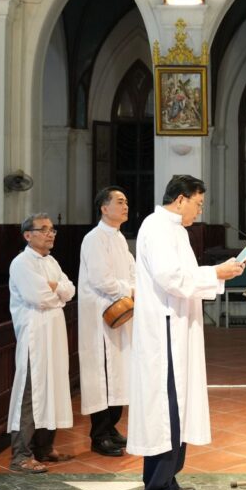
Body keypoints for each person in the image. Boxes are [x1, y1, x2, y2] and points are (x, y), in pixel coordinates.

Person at [128, 175, 246, 490]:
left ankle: (169, 480)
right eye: (198, 203)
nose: (200, 210)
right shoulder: (156, 227)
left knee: (178, 409)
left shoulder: (176, 229)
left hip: (179, 327)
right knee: (166, 412)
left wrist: (217, 275)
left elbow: (184, 277)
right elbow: (172, 279)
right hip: (164, 331)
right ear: (180, 199)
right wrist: (216, 273)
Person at [7, 213, 76, 473]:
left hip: (54, 334)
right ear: (28, 235)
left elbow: (70, 290)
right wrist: (58, 293)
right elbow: (39, 297)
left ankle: (44, 448)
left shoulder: (51, 261)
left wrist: (56, 288)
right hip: (34, 336)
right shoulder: (21, 263)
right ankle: (21, 455)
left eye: (52, 229)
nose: (50, 234)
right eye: (44, 229)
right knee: (30, 393)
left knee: (53, 387)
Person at [79, 187, 135, 457]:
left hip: (121, 313)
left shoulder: (119, 238)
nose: (126, 206)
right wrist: (129, 290)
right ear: (104, 208)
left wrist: (135, 286)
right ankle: (98, 435)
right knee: (102, 375)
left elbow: (132, 269)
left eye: (126, 202)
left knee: (120, 372)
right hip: (101, 316)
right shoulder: (94, 239)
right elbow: (101, 279)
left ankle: (111, 427)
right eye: (120, 202)